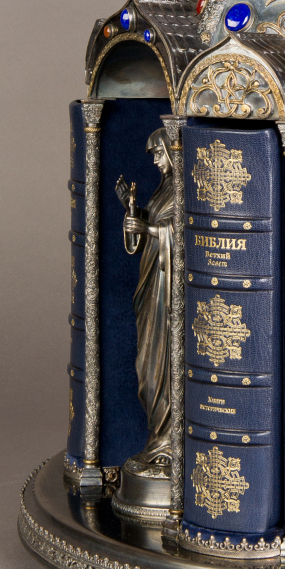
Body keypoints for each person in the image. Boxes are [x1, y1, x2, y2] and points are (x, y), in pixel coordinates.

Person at [119, 128, 175, 476]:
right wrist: (134, 212)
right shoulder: (163, 189)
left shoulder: (183, 189)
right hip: (151, 285)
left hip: (168, 292)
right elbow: (155, 225)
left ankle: (167, 446)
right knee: (146, 366)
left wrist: (148, 230)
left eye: (158, 154)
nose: (155, 161)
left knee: (161, 364)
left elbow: (183, 233)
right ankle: (158, 439)